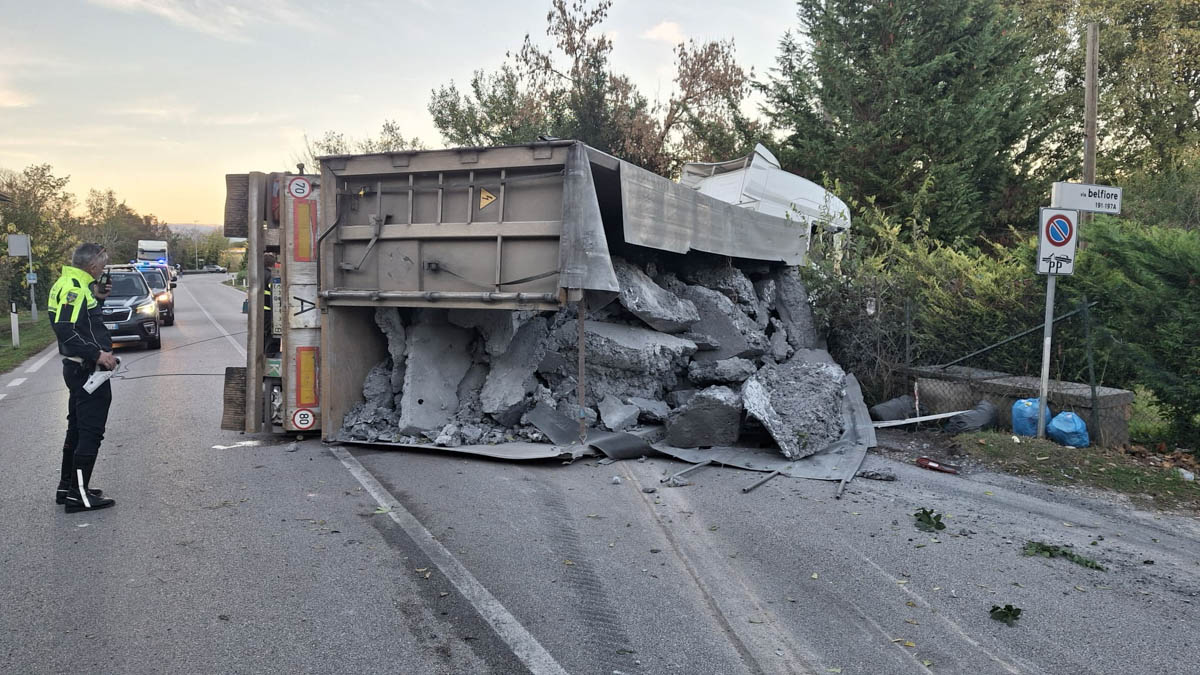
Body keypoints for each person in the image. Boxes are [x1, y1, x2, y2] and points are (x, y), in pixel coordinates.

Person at [47, 243, 117, 512]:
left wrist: (98, 298)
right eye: (103, 263)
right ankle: (79, 494)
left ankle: (68, 487)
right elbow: (65, 329)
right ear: (92, 265)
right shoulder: (74, 288)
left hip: (77, 367)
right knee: (90, 432)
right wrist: (98, 354)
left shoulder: (72, 282)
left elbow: (83, 322)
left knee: (76, 428)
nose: (103, 268)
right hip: (87, 368)